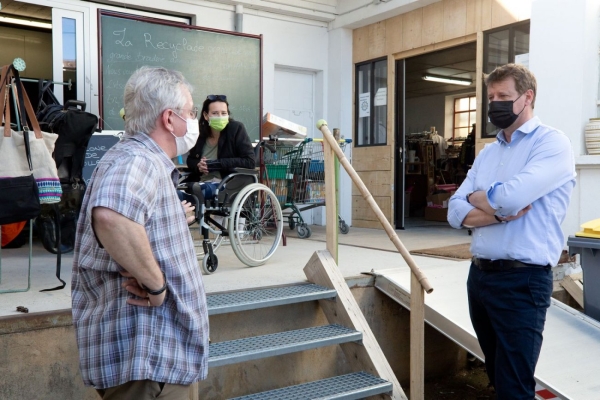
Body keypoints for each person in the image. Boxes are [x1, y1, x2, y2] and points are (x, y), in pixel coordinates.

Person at [71, 66, 209, 399]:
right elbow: (111, 218)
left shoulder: (139, 159)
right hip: (149, 359)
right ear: (169, 119)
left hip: (156, 358)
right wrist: (156, 284)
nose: (194, 122)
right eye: (190, 113)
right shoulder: (139, 160)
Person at [447, 63, 576, 399]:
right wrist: (499, 215)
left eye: (504, 96)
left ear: (527, 97)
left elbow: (513, 196)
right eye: (491, 97)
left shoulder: (551, 144)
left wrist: (483, 199)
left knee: (514, 385)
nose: (495, 104)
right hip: (480, 278)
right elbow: (454, 210)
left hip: (522, 282)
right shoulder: (489, 153)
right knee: (495, 373)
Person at [185, 94, 255, 202]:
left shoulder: (236, 129)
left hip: (226, 183)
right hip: (199, 181)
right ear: (206, 115)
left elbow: (249, 161)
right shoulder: (199, 132)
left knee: (198, 191)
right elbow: (190, 159)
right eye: (215, 113)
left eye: (223, 113)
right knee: (175, 191)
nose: (220, 117)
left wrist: (216, 164)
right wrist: (198, 165)